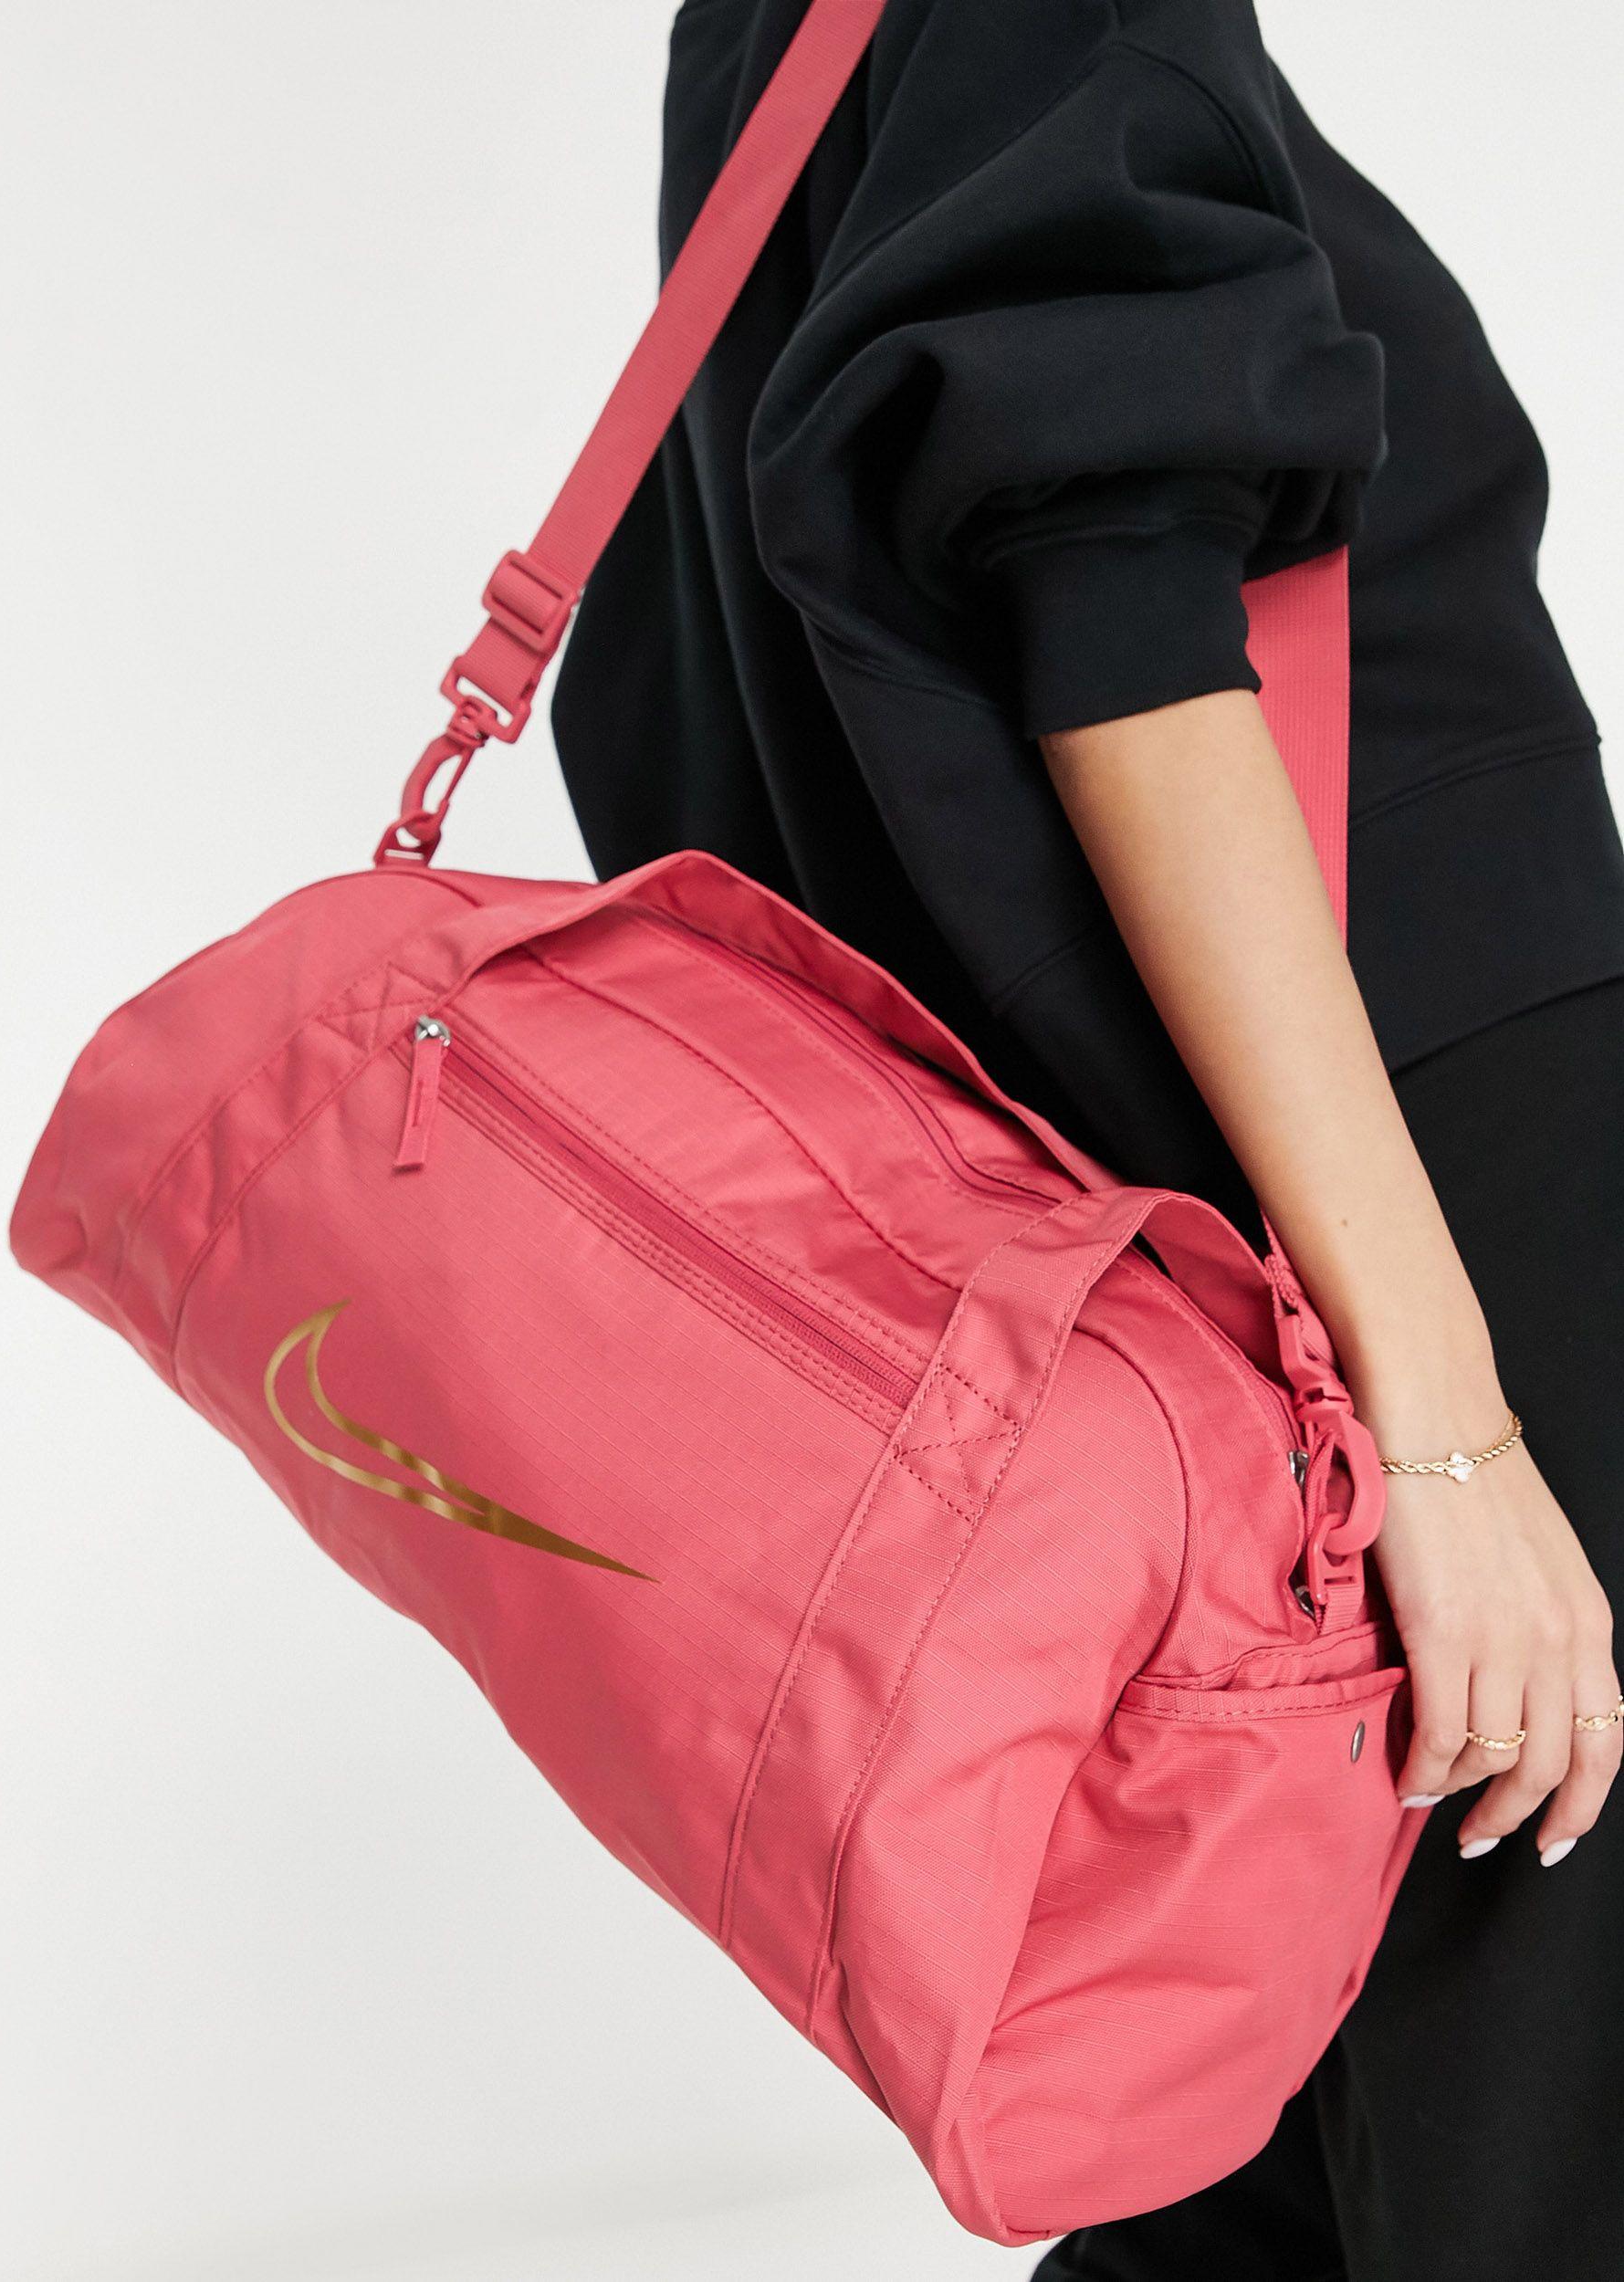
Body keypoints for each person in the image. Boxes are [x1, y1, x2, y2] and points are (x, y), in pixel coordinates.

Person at [550, 3, 1624, 2275]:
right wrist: (1440, 1423)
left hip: (1136, 1249)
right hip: (1408, 1164)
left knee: (1256, 2139)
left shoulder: (773, 35)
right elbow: (1120, 629)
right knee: (1523, 2090)